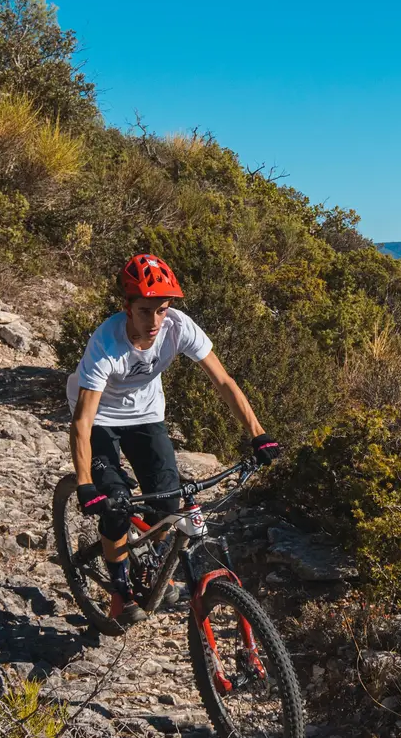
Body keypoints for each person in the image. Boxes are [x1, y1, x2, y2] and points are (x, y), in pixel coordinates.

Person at [68, 253, 282, 626]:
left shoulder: (179, 327)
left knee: (167, 504)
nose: (155, 322)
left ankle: (146, 565)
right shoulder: (106, 344)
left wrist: (258, 434)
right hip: (101, 418)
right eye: (145, 311)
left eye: (162, 310)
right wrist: (85, 483)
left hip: (147, 414)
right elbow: (83, 421)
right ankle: (119, 591)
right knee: (115, 505)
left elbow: (224, 382)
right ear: (127, 308)